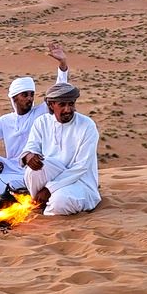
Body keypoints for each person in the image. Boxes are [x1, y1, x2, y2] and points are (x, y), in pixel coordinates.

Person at [0, 42, 69, 198]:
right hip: (10, 167)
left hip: (33, 167)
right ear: (14, 98)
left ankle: (14, 189)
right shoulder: (5, 121)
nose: (30, 98)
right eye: (25, 95)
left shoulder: (41, 112)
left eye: (31, 94)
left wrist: (62, 64)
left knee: (18, 182)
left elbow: (59, 92)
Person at [20, 82, 100, 216]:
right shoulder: (42, 122)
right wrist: (29, 157)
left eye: (71, 104)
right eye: (62, 105)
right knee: (33, 169)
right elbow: (31, 147)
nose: (68, 109)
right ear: (51, 105)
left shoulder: (87, 126)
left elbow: (81, 167)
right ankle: (39, 203)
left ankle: (46, 210)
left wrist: (49, 189)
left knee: (60, 201)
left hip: (80, 182)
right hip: (54, 174)